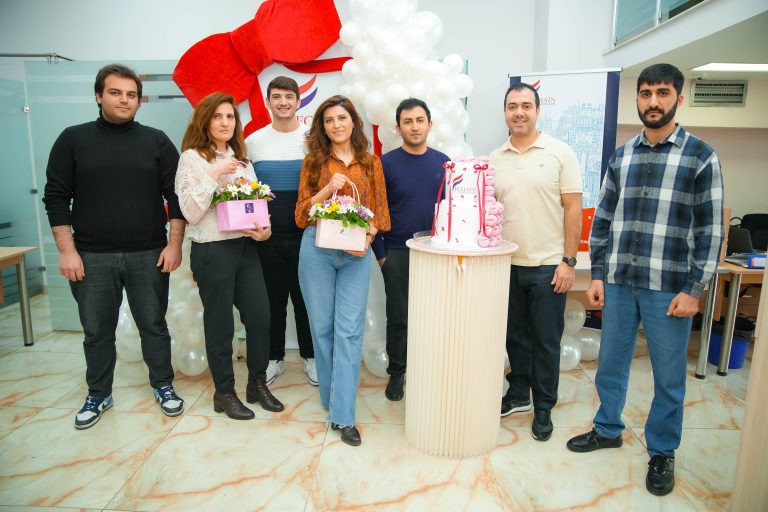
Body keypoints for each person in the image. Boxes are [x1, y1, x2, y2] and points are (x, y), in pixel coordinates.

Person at [566, 63, 724, 497]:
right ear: (637, 99)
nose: (653, 102)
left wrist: (694, 289)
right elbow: (603, 219)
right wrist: (598, 274)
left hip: (669, 288)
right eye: (646, 93)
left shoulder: (700, 156)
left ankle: (662, 451)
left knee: (668, 377)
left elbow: (711, 231)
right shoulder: (622, 156)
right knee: (611, 364)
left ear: (678, 98)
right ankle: (607, 428)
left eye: (662, 93)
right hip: (619, 281)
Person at [43, 63, 185, 429]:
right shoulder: (73, 139)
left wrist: (174, 245)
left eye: (131, 95)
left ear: (139, 101)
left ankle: (163, 385)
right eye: (116, 92)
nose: (124, 100)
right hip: (91, 256)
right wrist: (67, 251)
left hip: (148, 253)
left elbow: (176, 196)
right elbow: (56, 197)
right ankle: (99, 393)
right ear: (98, 96)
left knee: (153, 325)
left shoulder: (156, 141)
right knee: (97, 331)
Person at [175, 92, 284, 420]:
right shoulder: (192, 159)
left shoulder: (243, 161)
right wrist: (214, 173)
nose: (225, 122)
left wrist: (264, 229)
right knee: (220, 323)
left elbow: (253, 205)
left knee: (260, 316)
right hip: (212, 249)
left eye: (230, 117)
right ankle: (224, 392)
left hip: (246, 248)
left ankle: (257, 383)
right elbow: (190, 212)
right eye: (218, 116)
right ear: (205, 120)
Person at [295, 95, 390, 446]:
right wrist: (326, 189)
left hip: (355, 254)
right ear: (322, 127)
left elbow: (381, 214)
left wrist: (368, 236)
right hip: (316, 250)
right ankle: (331, 397)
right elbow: (300, 214)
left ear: (353, 122)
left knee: (348, 331)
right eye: (329, 120)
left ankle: (344, 415)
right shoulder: (313, 162)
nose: (336, 125)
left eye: (342, 118)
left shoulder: (371, 162)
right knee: (322, 329)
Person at [490, 83, 583, 441]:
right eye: (512, 106)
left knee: (545, 341)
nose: (519, 112)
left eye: (526, 105)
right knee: (514, 336)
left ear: (538, 110)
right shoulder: (494, 159)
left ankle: (543, 406)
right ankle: (518, 393)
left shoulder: (560, 153)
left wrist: (568, 261)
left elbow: (573, 209)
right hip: (506, 264)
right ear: (505, 112)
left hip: (548, 265)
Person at [371, 98, 449, 401]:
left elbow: (452, 208)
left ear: (430, 124)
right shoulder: (385, 163)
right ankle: (397, 373)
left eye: (419, 120)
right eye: (407, 121)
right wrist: (382, 256)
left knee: (434, 316)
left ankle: (430, 369)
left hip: (435, 251)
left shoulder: (444, 162)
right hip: (397, 251)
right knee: (399, 317)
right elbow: (375, 210)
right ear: (398, 127)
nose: (414, 127)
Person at [245, 76, 316, 387]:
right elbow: (247, 190)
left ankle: (311, 357)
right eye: (277, 97)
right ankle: (274, 358)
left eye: (289, 97)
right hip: (267, 238)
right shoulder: (254, 142)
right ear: (268, 102)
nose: (283, 102)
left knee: (306, 301)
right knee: (271, 302)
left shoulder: (313, 139)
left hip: (307, 236)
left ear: (299, 101)